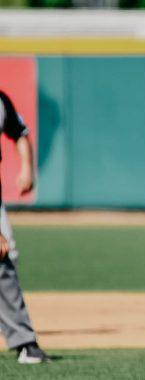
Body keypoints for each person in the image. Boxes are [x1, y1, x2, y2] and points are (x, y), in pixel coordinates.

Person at [0, 90, 49, 364]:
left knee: (7, 258)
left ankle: (24, 342)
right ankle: (25, 344)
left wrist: (27, 168)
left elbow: (19, 132)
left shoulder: (1, 100)